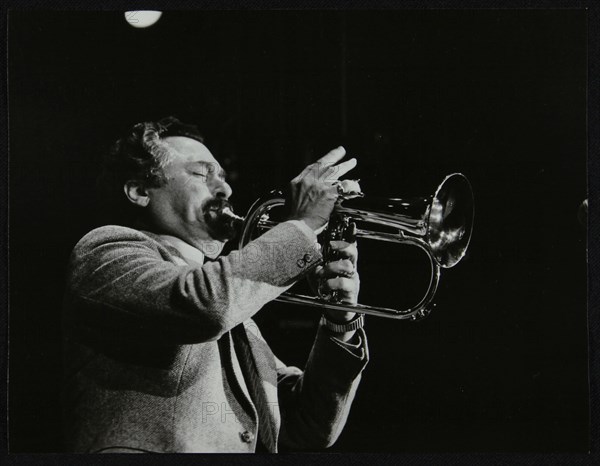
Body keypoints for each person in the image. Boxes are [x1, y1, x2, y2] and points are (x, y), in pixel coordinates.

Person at [61, 116, 369, 453]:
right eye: (200, 173)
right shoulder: (105, 251)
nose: (225, 189)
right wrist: (301, 227)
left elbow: (308, 426)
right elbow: (207, 305)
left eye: (222, 176)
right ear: (139, 191)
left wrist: (340, 320)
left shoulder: (240, 317)